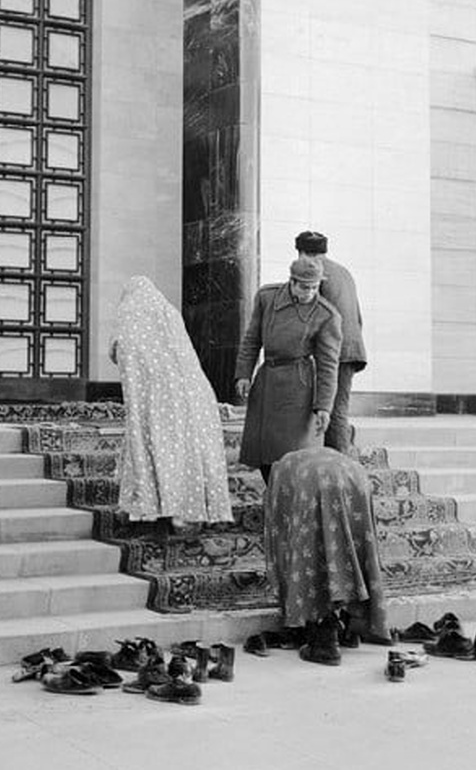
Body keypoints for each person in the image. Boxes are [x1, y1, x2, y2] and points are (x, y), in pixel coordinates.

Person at [109, 276, 233, 529]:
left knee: (153, 444)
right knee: (186, 449)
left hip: (153, 394)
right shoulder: (168, 311)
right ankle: (186, 511)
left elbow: (119, 349)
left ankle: (151, 506)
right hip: (191, 391)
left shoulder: (128, 310)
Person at [263, 447, 389, 665]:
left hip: (316, 481)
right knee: (354, 542)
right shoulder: (295, 461)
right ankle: (351, 625)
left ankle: (324, 633)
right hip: (356, 476)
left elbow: (281, 533)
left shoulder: (280, 473)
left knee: (310, 546)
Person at [235, 258, 342, 483]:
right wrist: (244, 373)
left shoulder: (326, 315)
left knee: (293, 454)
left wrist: (324, 406)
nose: (310, 292)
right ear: (291, 282)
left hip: (298, 387)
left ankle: (289, 505)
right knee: (264, 452)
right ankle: (274, 499)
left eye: (315, 287)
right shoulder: (267, 298)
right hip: (266, 382)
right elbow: (252, 339)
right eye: (304, 286)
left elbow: (328, 366)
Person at [294, 230, 367, 456]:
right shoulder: (343, 272)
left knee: (332, 411)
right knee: (339, 408)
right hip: (353, 349)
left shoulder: (314, 273)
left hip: (334, 351)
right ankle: (338, 462)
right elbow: (358, 316)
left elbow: (312, 317)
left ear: (302, 253)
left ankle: (337, 467)